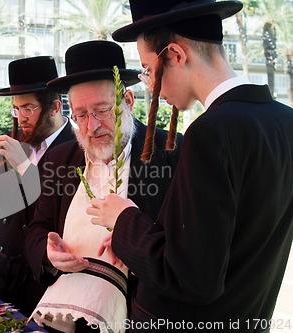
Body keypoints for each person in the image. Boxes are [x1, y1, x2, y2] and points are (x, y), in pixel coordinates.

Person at [86, 0, 293, 331]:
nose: (150, 86)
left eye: (147, 70)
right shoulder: (284, 121)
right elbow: (222, 246)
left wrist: (123, 218)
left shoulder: (211, 131)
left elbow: (192, 277)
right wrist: (135, 243)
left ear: (176, 55)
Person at [24, 41, 183, 333]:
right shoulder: (60, 158)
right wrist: (49, 254)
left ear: (128, 101)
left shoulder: (172, 153)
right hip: (66, 319)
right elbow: (36, 229)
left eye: (102, 110)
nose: (91, 126)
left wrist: (136, 243)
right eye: (81, 115)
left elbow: (185, 245)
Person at [0, 56, 75, 316]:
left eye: (28, 108)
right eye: (16, 109)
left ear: (54, 107)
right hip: (0, 276)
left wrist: (24, 167)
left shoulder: (75, 148)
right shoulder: (15, 139)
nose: (21, 117)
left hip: (39, 286)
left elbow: (56, 210)